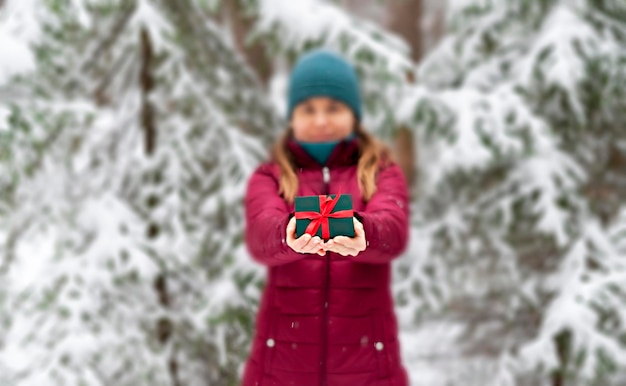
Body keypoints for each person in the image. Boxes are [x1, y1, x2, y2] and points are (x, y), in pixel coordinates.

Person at [242, 49, 410, 386]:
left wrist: (366, 233)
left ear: (354, 114)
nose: (320, 120)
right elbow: (261, 233)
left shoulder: (381, 172)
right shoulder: (270, 176)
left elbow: (393, 227)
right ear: (292, 116)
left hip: (369, 368)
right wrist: (287, 234)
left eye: (333, 108)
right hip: (282, 368)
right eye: (308, 109)